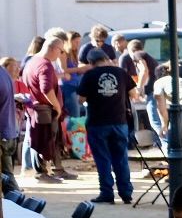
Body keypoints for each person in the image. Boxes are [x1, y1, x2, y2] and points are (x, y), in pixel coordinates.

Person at [77, 47, 136, 203]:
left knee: (103, 159)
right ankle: (126, 193)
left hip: (98, 123)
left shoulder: (89, 75)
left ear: (90, 62)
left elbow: (80, 100)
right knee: (121, 157)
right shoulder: (121, 72)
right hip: (120, 122)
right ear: (105, 58)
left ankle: (107, 192)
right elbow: (134, 94)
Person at [21, 33, 69, 183]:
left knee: (48, 140)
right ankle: (41, 173)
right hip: (44, 109)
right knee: (43, 141)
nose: (61, 54)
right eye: (61, 51)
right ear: (54, 49)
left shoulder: (33, 61)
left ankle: (55, 170)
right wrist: (57, 106)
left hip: (38, 108)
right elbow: (46, 89)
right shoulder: (44, 64)